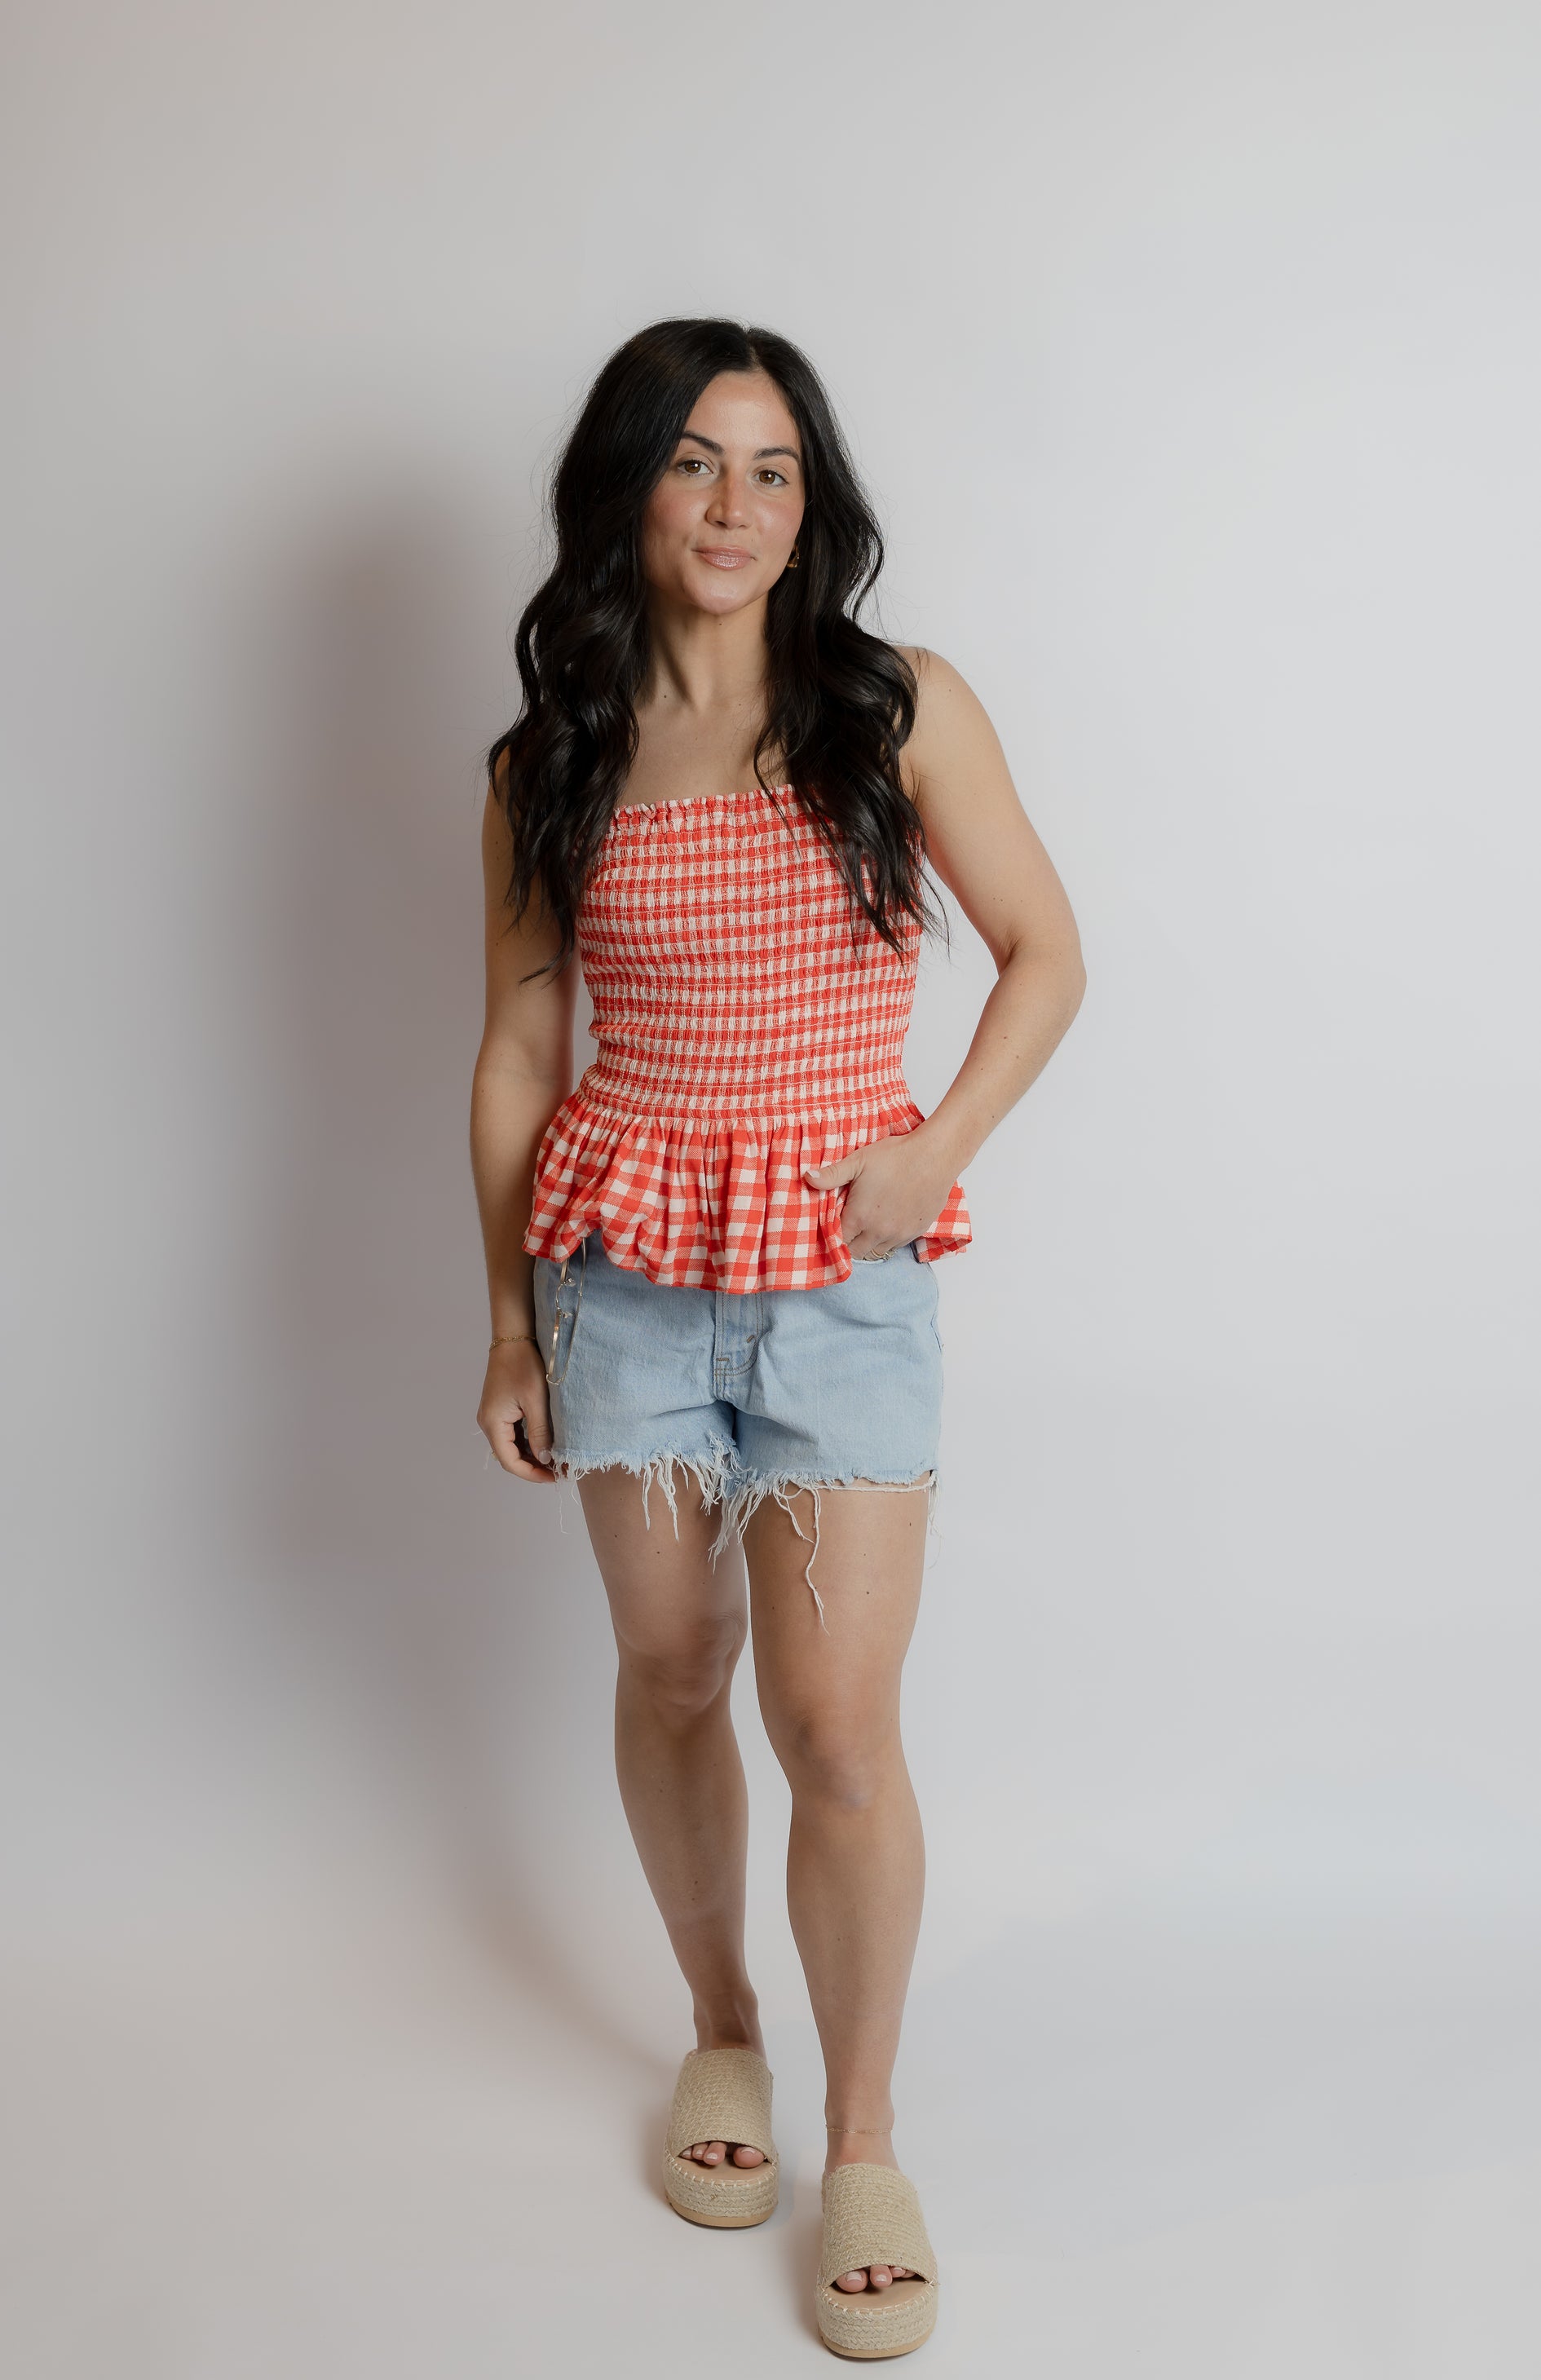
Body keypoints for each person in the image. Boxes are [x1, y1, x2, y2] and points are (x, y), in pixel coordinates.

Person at [471, 317, 1084, 2358]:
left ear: (810, 504)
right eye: (693, 462)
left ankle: (868, 2138)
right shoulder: (551, 752)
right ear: (627, 485)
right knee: (670, 1669)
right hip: (623, 1276)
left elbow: (1045, 951)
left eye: (772, 469)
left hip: (842, 1279)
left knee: (833, 1725)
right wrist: (507, 1320)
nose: (734, 506)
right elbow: (519, 1048)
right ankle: (720, 2027)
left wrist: (934, 1148)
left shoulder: (893, 705)